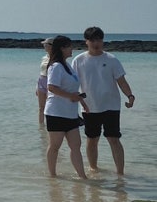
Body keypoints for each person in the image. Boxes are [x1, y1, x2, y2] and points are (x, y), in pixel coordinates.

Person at [72, 26, 135, 176]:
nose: (96, 43)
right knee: (92, 139)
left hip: (111, 106)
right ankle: (93, 169)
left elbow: (121, 81)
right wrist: (75, 100)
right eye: (93, 40)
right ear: (86, 41)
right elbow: (73, 83)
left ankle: (120, 174)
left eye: (99, 40)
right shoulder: (78, 60)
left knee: (114, 139)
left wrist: (130, 96)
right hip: (90, 107)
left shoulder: (111, 59)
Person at [44, 35, 89, 179]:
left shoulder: (67, 65)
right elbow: (52, 87)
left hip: (71, 113)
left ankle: (82, 176)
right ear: (62, 48)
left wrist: (81, 101)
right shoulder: (56, 66)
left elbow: (71, 90)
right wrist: (71, 96)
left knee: (76, 145)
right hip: (56, 112)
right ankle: (53, 176)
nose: (72, 49)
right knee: (55, 146)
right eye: (69, 46)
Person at [36, 37, 53, 124]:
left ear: (51, 46)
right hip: (41, 80)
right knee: (41, 107)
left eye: (45, 44)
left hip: (51, 82)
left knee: (50, 107)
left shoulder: (56, 58)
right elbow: (41, 71)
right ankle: (41, 128)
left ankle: (50, 126)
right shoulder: (44, 57)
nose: (44, 46)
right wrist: (37, 86)